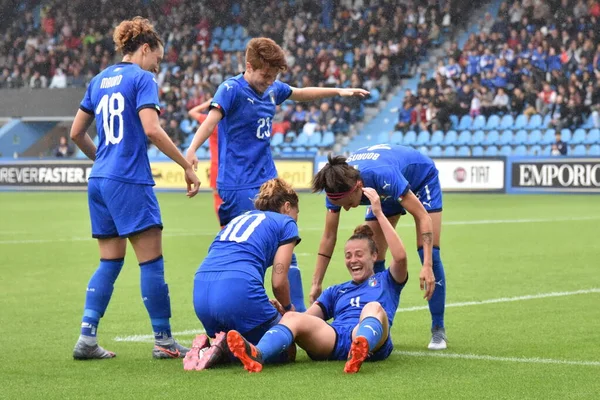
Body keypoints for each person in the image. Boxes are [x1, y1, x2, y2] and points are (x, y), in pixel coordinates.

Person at [185, 37, 369, 312]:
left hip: (269, 183)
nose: (269, 81)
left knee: (287, 244)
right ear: (249, 66)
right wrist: (191, 151)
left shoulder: (272, 90)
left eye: (273, 76)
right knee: (248, 253)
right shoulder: (230, 89)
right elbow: (210, 121)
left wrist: (340, 92)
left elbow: (302, 92)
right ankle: (247, 313)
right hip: (237, 186)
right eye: (265, 75)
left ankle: (295, 317)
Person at [69, 16, 200, 360]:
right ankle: (165, 341)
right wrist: (187, 166)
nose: (158, 66)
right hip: (129, 179)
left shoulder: (98, 81)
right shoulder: (141, 79)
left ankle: (86, 339)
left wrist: (103, 161)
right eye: (157, 58)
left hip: (99, 180)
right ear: (144, 49)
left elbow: (76, 133)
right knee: (151, 262)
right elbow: (153, 130)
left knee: (110, 262)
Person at [225, 187, 408, 374]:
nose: (353, 260)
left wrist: (378, 213)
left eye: (359, 255)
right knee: (292, 317)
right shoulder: (336, 291)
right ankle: (258, 353)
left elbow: (400, 258)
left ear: (374, 255)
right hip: (335, 338)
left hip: (373, 341)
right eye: (348, 255)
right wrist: (283, 315)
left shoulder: (387, 280)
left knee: (373, 307)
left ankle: (360, 348)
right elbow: (307, 319)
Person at [310, 144, 448, 350]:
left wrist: (426, 265)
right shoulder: (337, 183)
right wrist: (316, 282)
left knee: (429, 252)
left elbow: (422, 216)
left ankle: (438, 328)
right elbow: (329, 236)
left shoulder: (382, 174)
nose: (346, 209)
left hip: (420, 180)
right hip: (383, 191)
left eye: (348, 203)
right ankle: (380, 326)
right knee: (375, 256)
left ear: (357, 187)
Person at [183, 178, 300, 371]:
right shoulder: (286, 222)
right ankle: (225, 350)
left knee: (240, 336)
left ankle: (209, 347)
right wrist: (288, 311)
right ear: (287, 207)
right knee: (286, 350)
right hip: (237, 291)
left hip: (201, 291)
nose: (296, 219)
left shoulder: (239, 219)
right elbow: (279, 281)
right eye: (297, 214)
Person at [188, 98, 223, 223]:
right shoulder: (228, 122)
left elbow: (192, 112)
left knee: (217, 196)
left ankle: (223, 226)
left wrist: (208, 103)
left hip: (216, 165)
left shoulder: (209, 122)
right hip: (232, 164)